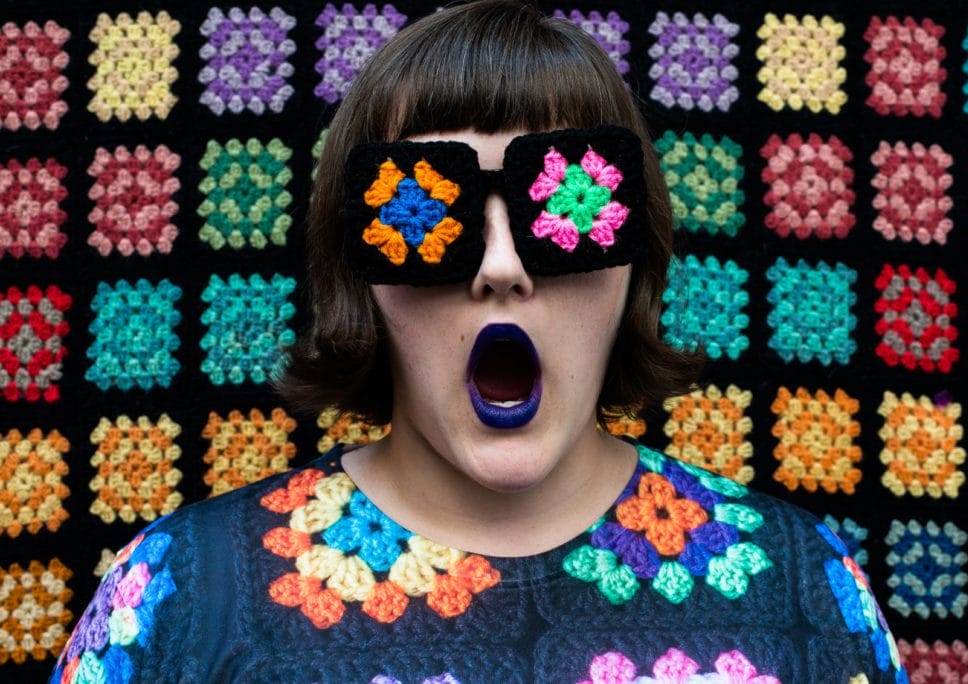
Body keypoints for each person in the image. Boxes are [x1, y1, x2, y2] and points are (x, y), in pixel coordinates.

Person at [52, 1, 906, 681]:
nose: (501, 266)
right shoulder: (178, 591)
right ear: (357, 266)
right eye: (428, 210)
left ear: (635, 249)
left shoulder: (802, 583)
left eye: (565, 205)